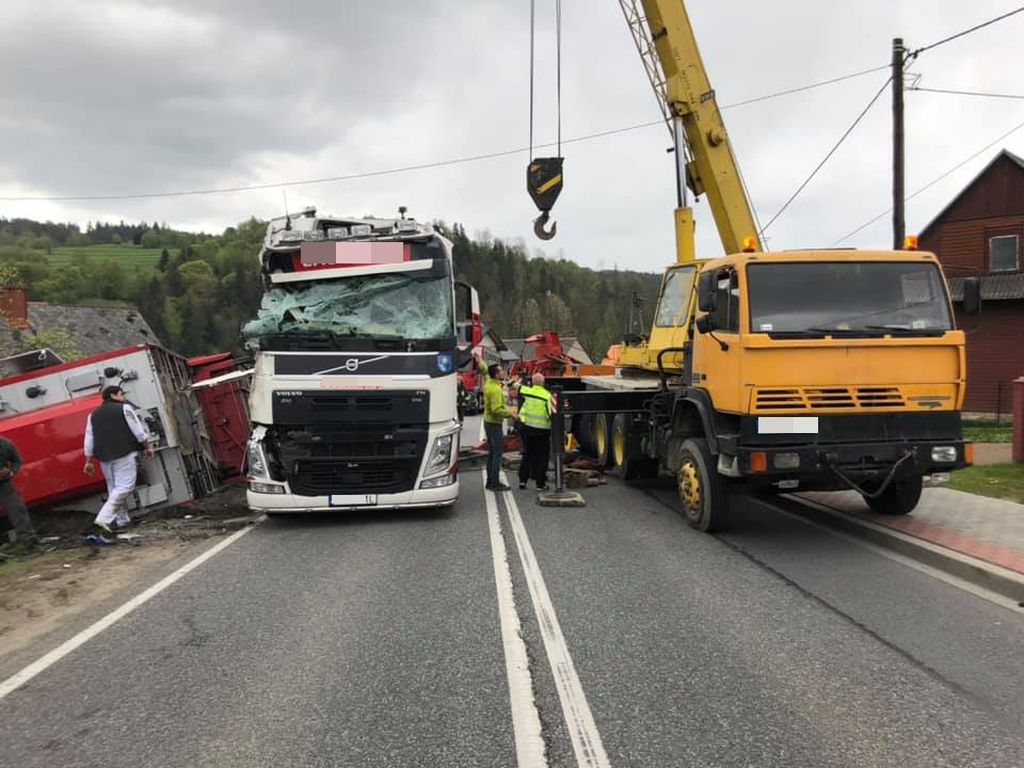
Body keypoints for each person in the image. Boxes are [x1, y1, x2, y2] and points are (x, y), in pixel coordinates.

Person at [83, 385, 154, 537]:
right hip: (124, 453)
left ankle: (122, 521)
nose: (123, 397)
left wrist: (88, 461)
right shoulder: (125, 409)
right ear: (114, 395)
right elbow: (138, 431)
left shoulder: (93, 415)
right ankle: (104, 518)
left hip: (104, 458)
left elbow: (89, 439)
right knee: (124, 487)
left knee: (114, 488)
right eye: (121, 394)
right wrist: (147, 446)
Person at [476, 354, 517, 491]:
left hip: (488, 422)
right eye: (501, 371)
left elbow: (485, 370)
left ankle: (490, 481)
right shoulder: (495, 390)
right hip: (494, 423)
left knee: (492, 452)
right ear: (496, 374)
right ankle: (494, 483)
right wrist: (511, 413)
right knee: (497, 454)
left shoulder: (489, 381)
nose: (503, 372)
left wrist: (480, 360)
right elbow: (496, 409)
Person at [516, 372, 555, 491]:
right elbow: (550, 414)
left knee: (527, 454)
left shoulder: (527, 391)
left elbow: (517, 386)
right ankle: (540, 484)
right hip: (542, 431)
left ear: (532, 382)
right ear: (543, 383)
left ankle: (523, 481)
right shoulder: (547, 396)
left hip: (527, 429)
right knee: (542, 457)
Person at [0, 435, 36, 545]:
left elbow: (17, 460)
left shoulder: (6, 444)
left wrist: (12, 472)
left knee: (17, 509)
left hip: (4, 483)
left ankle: (29, 540)